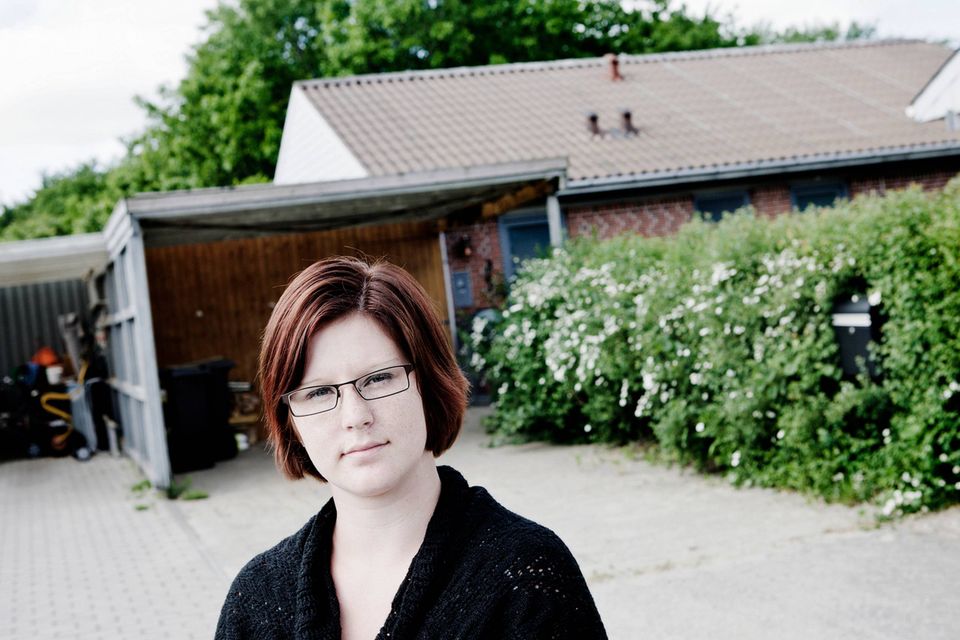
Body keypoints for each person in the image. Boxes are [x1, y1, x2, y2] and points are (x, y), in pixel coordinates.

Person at [215, 256, 607, 639]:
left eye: (379, 379)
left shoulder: (526, 575)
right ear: (291, 422)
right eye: (317, 392)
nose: (355, 416)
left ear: (430, 384)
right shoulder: (255, 602)